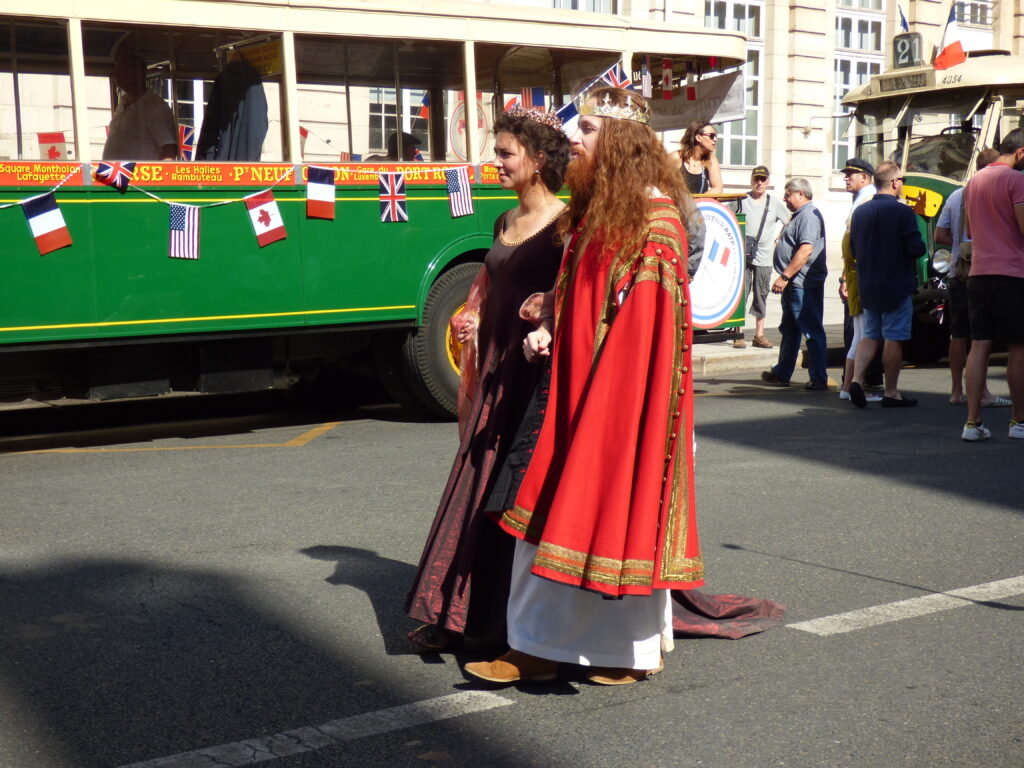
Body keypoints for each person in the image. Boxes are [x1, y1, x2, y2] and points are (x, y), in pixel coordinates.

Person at [464, 86, 702, 687]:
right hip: (570, 383)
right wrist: (551, 313)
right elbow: (589, 294)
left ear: (621, 142)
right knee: (543, 509)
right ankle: (553, 646)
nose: (576, 139)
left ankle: (604, 652)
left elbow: (647, 327)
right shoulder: (602, 211)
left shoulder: (657, 221)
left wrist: (601, 393)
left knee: (585, 509)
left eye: (589, 130)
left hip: (610, 396)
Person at [404, 106, 570, 650]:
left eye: (504, 153)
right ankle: (459, 614)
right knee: (474, 484)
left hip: (532, 377)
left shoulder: (567, 224)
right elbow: (489, 285)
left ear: (538, 159)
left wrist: (544, 320)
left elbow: (573, 299)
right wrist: (473, 314)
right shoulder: (503, 221)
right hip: (498, 371)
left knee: (509, 493)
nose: (493, 161)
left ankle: (505, 626)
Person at [960, 129, 1024, 441]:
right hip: (1012, 273)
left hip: (979, 272)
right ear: (1021, 152)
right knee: (1018, 346)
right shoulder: (1017, 181)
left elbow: (970, 228)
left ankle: (972, 423)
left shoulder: (974, 182)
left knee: (979, 345)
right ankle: (1019, 422)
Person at [846, 161, 926, 408]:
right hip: (896, 284)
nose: (902, 185)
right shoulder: (903, 212)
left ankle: (857, 380)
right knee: (894, 337)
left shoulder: (860, 212)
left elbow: (853, 249)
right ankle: (891, 392)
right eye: (902, 180)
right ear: (894, 182)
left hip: (868, 284)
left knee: (870, 334)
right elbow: (915, 248)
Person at [934, 148, 1008, 408]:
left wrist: (958, 243)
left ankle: (956, 391)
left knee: (958, 333)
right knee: (982, 337)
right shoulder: (993, 192)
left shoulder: (956, 196)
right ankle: (982, 392)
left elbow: (939, 235)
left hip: (958, 270)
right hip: (985, 270)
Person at [760, 178, 829, 390]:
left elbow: (806, 251)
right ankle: (782, 372)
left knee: (811, 330)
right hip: (794, 284)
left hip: (801, 283)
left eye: (788, 194)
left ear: (800, 194)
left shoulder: (808, 216)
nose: (785, 198)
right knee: (790, 329)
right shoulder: (800, 215)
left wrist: (785, 276)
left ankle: (818, 378)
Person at [837, 158, 882, 402]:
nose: (846, 178)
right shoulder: (866, 200)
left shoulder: (865, 199)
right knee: (864, 333)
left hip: (854, 274)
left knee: (859, 333)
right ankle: (855, 385)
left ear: (865, 178)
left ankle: (848, 386)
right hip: (860, 274)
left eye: (850, 174)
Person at [733, 165, 789, 349]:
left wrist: (778, 240)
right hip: (743, 256)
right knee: (741, 293)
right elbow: (727, 216)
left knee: (761, 293)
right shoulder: (741, 200)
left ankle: (759, 335)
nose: (759, 183)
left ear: (768, 182)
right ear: (751, 180)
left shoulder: (774, 203)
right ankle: (738, 333)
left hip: (764, 257)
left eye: (763, 179)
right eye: (756, 179)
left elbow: (789, 222)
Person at [102, 53, 178, 161]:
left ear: (140, 73)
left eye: (123, 69)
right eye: (116, 70)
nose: (117, 74)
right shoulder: (122, 103)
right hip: (116, 175)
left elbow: (169, 151)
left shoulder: (156, 107)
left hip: (142, 176)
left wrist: (157, 176)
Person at [676, 120, 723, 195]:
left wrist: (699, 201)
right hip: (678, 205)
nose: (715, 139)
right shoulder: (677, 157)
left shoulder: (711, 159)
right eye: (711, 136)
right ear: (698, 137)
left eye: (715, 136)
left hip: (699, 206)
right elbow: (660, 184)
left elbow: (718, 188)